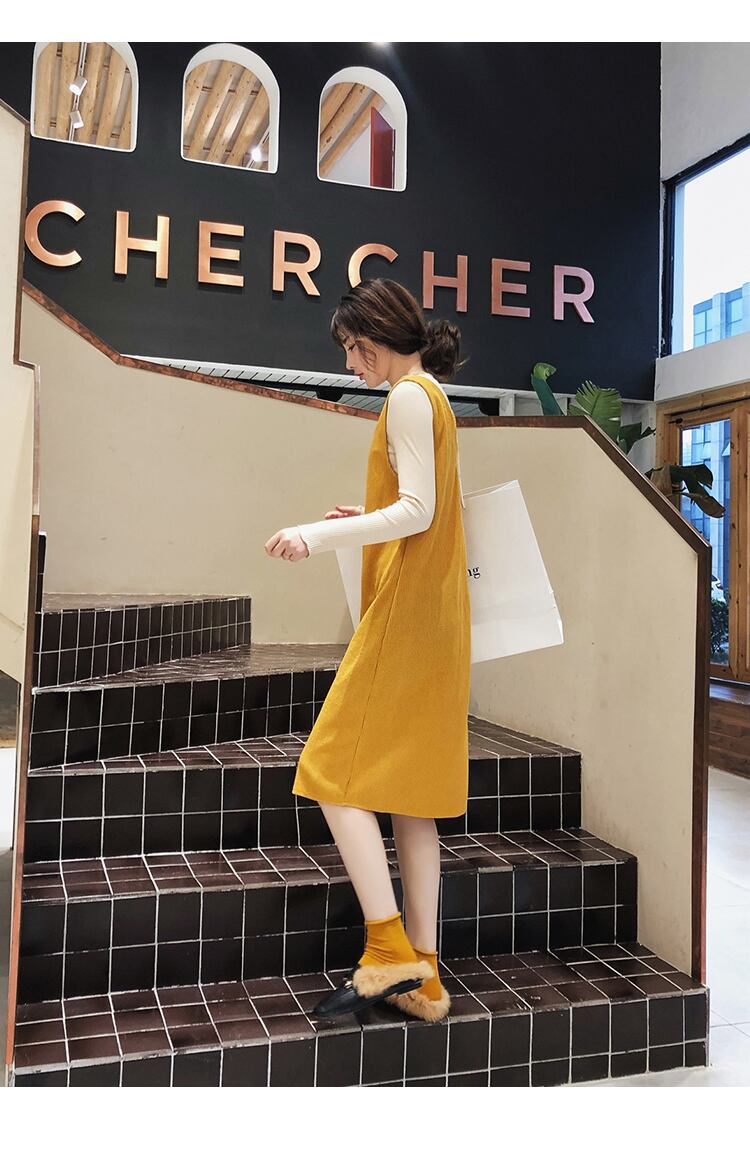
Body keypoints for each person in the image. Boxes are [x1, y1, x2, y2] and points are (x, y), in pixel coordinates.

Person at [263, 278, 470, 1022]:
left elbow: (418, 510)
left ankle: (387, 953)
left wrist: (315, 535)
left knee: (329, 771)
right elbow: (419, 507)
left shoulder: (409, 396)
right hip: (436, 616)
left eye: (355, 347)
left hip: (406, 616)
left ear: (381, 335)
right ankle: (426, 978)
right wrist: (366, 514)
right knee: (411, 801)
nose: (351, 363)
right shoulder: (432, 396)